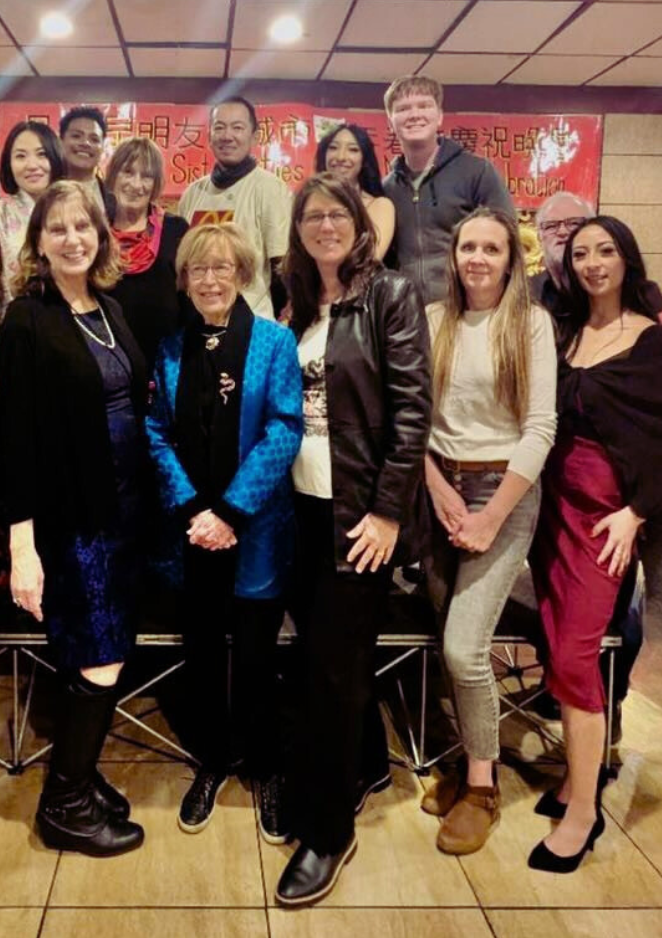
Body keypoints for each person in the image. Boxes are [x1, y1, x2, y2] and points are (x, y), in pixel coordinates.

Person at [277, 174, 431, 906]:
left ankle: (329, 831)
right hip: (301, 511)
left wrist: (389, 513)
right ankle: (364, 765)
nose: (325, 225)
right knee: (322, 659)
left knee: (333, 673)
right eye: (312, 216)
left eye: (337, 213)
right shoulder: (299, 301)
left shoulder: (390, 295)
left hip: (358, 516)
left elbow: (412, 408)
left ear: (359, 223)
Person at [0, 180, 146, 857]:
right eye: (57, 228)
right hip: (72, 517)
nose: (72, 238)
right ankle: (63, 803)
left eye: (83, 226)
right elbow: (18, 440)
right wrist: (21, 544)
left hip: (122, 510)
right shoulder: (26, 320)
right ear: (39, 242)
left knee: (102, 649)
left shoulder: (109, 307)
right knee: (101, 652)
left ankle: (79, 776)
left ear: (101, 235)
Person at [145, 223, 302, 842]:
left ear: (242, 274)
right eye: (198, 270)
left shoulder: (274, 342)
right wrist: (193, 511)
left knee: (259, 654)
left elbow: (285, 428)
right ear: (183, 280)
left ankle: (265, 766)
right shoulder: (170, 349)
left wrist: (230, 514)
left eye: (222, 268)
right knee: (203, 652)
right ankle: (213, 760)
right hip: (193, 532)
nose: (210, 280)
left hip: (252, 528)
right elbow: (156, 432)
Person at [528, 216, 662, 874]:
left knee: (577, 655)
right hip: (549, 509)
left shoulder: (652, 339)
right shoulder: (568, 332)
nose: (592, 263)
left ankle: (584, 810)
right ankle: (574, 778)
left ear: (626, 258)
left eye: (605, 250)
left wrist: (637, 512)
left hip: (606, 521)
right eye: (581, 253)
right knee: (555, 644)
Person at [422, 209, 557, 855]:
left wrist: (491, 514)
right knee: (444, 634)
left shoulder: (530, 324)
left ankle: (482, 787)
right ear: (453, 257)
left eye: (491, 248)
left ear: (511, 260)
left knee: (464, 648)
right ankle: (467, 756)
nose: (477, 258)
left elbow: (540, 428)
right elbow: (413, 417)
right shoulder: (434, 320)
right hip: (439, 491)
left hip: (503, 492)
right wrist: (436, 488)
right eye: (467, 247)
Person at [382, 75, 517, 304]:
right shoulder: (386, 190)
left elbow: (508, 241)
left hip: (468, 307)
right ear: (390, 121)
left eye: (424, 106)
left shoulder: (477, 172)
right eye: (403, 109)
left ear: (440, 116)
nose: (414, 115)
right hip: (408, 312)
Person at [0, 120, 66, 395]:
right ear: (8, 164)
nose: (32, 165)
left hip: (70, 350)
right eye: (21, 156)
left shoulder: (72, 215)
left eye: (42, 154)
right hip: (16, 354)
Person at [177, 95, 292, 320]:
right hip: (199, 323)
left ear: (254, 136)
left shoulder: (270, 188)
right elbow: (184, 265)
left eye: (237, 128)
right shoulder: (192, 193)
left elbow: (281, 268)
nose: (227, 136)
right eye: (219, 127)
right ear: (209, 136)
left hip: (252, 321)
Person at [104, 135, 191, 367]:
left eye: (147, 176)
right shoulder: (95, 231)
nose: (136, 184)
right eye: (128, 172)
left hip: (166, 365)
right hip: (107, 366)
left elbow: (190, 302)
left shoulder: (176, 230)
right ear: (113, 175)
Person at [315, 121, 395, 260]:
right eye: (333, 148)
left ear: (364, 160)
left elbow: (370, 259)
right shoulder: (310, 204)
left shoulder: (379, 206)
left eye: (353, 150)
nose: (341, 157)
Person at [60, 105, 108, 212]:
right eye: (76, 136)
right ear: (61, 141)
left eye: (94, 139)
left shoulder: (113, 198)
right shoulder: (46, 192)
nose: (86, 143)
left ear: (103, 147)